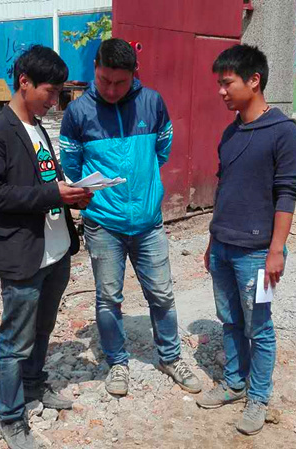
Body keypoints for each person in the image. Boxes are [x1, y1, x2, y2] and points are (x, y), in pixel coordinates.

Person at [59, 38, 201, 397]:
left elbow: (162, 150)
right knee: (109, 298)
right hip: (103, 223)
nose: (111, 89)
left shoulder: (152, 103)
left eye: (120, 82)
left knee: (162, 294)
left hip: (149, 223)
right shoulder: (78, 112)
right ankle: (117, 363)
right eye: (104, 80)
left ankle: (170, 357)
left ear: (134, 74)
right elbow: (72, 167)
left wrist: (142, 185)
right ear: (95, 69)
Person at [0, 45, 93, 449]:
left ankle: (34, 385)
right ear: (24, 82)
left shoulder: (39, 129)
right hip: (23, 255)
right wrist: (53, 194)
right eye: (50, 91)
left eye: (59, 92)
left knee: (43, 328)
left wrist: (74, 194)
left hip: (55, 250)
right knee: (15, 341)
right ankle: (11, 418)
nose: (55, 100)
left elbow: (48, 179)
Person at [196, 44, 296, 436]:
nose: (221, 91)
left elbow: (287, 193)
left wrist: (276, 250)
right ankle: (234, 382)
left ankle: (258, 396)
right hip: (224, 247)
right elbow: (226, 189)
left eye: (228, 83)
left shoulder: (284, 133)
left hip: (258, 253)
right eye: (220, 84)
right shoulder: (231, 132)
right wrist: (213, 241)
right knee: (229, 320)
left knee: (259, 326)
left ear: (254, 81)